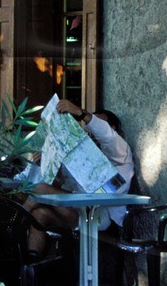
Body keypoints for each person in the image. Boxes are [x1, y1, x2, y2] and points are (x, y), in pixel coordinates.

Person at [26, 100, 136, 253]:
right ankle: (29, 266)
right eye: (88, 127)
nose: (90, 130)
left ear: (112, 128)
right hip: (81, 210)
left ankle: (11, 227)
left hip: (102, 216)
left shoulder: (120, 151)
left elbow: (107, 137)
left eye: (94, 125)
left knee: (40, 188)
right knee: (39, 214)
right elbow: (62, 184)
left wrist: (82, 113)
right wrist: (45, 162)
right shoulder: (84, 154)